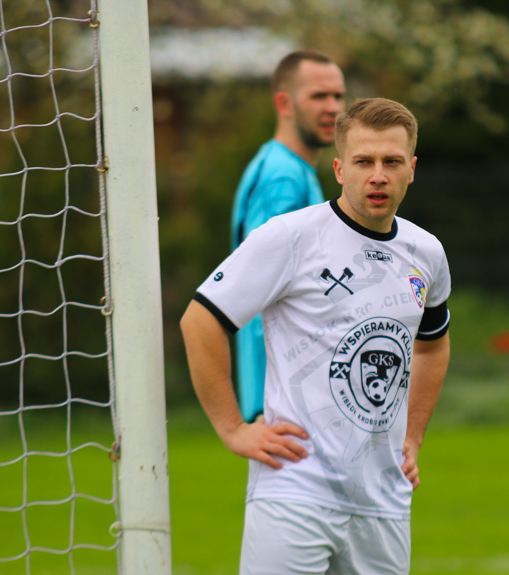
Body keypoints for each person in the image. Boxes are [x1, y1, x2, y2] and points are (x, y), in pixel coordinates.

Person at [181, 97, 451, 575]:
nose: (378, 175)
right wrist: (232, 428)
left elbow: (432, 344)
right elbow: (201, 320)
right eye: (363, 161)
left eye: (391, 162)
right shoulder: (289, 237)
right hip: (294, 490)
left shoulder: (426, 253)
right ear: (339, 168)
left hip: (384, 499)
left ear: (412, 168)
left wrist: (414, 436)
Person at [231, 49, 347, 423]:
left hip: (289, 393)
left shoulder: (291, 168)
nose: (333, 108)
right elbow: (256, 286)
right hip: (284, 399)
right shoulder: (283, 178)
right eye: (318, 96)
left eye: (339, 96)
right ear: (284, 103)